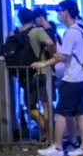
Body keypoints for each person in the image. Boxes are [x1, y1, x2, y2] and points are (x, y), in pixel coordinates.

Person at [37, 0, 83, 156]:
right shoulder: (81, 30)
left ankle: (58, 147)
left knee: (61, 113)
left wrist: (46, 61)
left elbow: (62, 56)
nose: (58, 14)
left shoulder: (71, 32)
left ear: (66, 12)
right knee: (80, 113)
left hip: (72, 79)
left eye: (59, 10)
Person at [14, 8, 56, 141]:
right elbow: (50, 42)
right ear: (32, 19)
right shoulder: (37, 31)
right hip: (42, 72)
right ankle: (48, 132)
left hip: (27, 74)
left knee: (31, 106)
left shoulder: (16, 33)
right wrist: (51, 56)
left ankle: (43, 130)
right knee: (46, 104)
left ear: (19, 19)